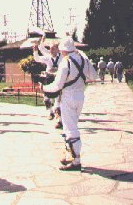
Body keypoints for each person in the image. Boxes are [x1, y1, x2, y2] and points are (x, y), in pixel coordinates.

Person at [43, 38, 98, 171]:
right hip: (80, 95)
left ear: (63, 50)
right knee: (70, 126)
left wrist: (45, 88)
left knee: (70, 129)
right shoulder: (83, 60)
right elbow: (94, 77)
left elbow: (57, 85)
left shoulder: (65, 62)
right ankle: (69, 155)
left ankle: (76, 161)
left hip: (68, 97)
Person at [33, 38, 63, 128]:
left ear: (58, 49)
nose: (51, 50)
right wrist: (35, 51)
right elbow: (37, 59)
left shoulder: (62, 57)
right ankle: (50, 112)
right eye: (50, 48)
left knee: (59, 98)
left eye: (53, 48)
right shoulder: (47, 57)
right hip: (49, 79)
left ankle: (59, 119)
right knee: (46, 96)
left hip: (59, 79)